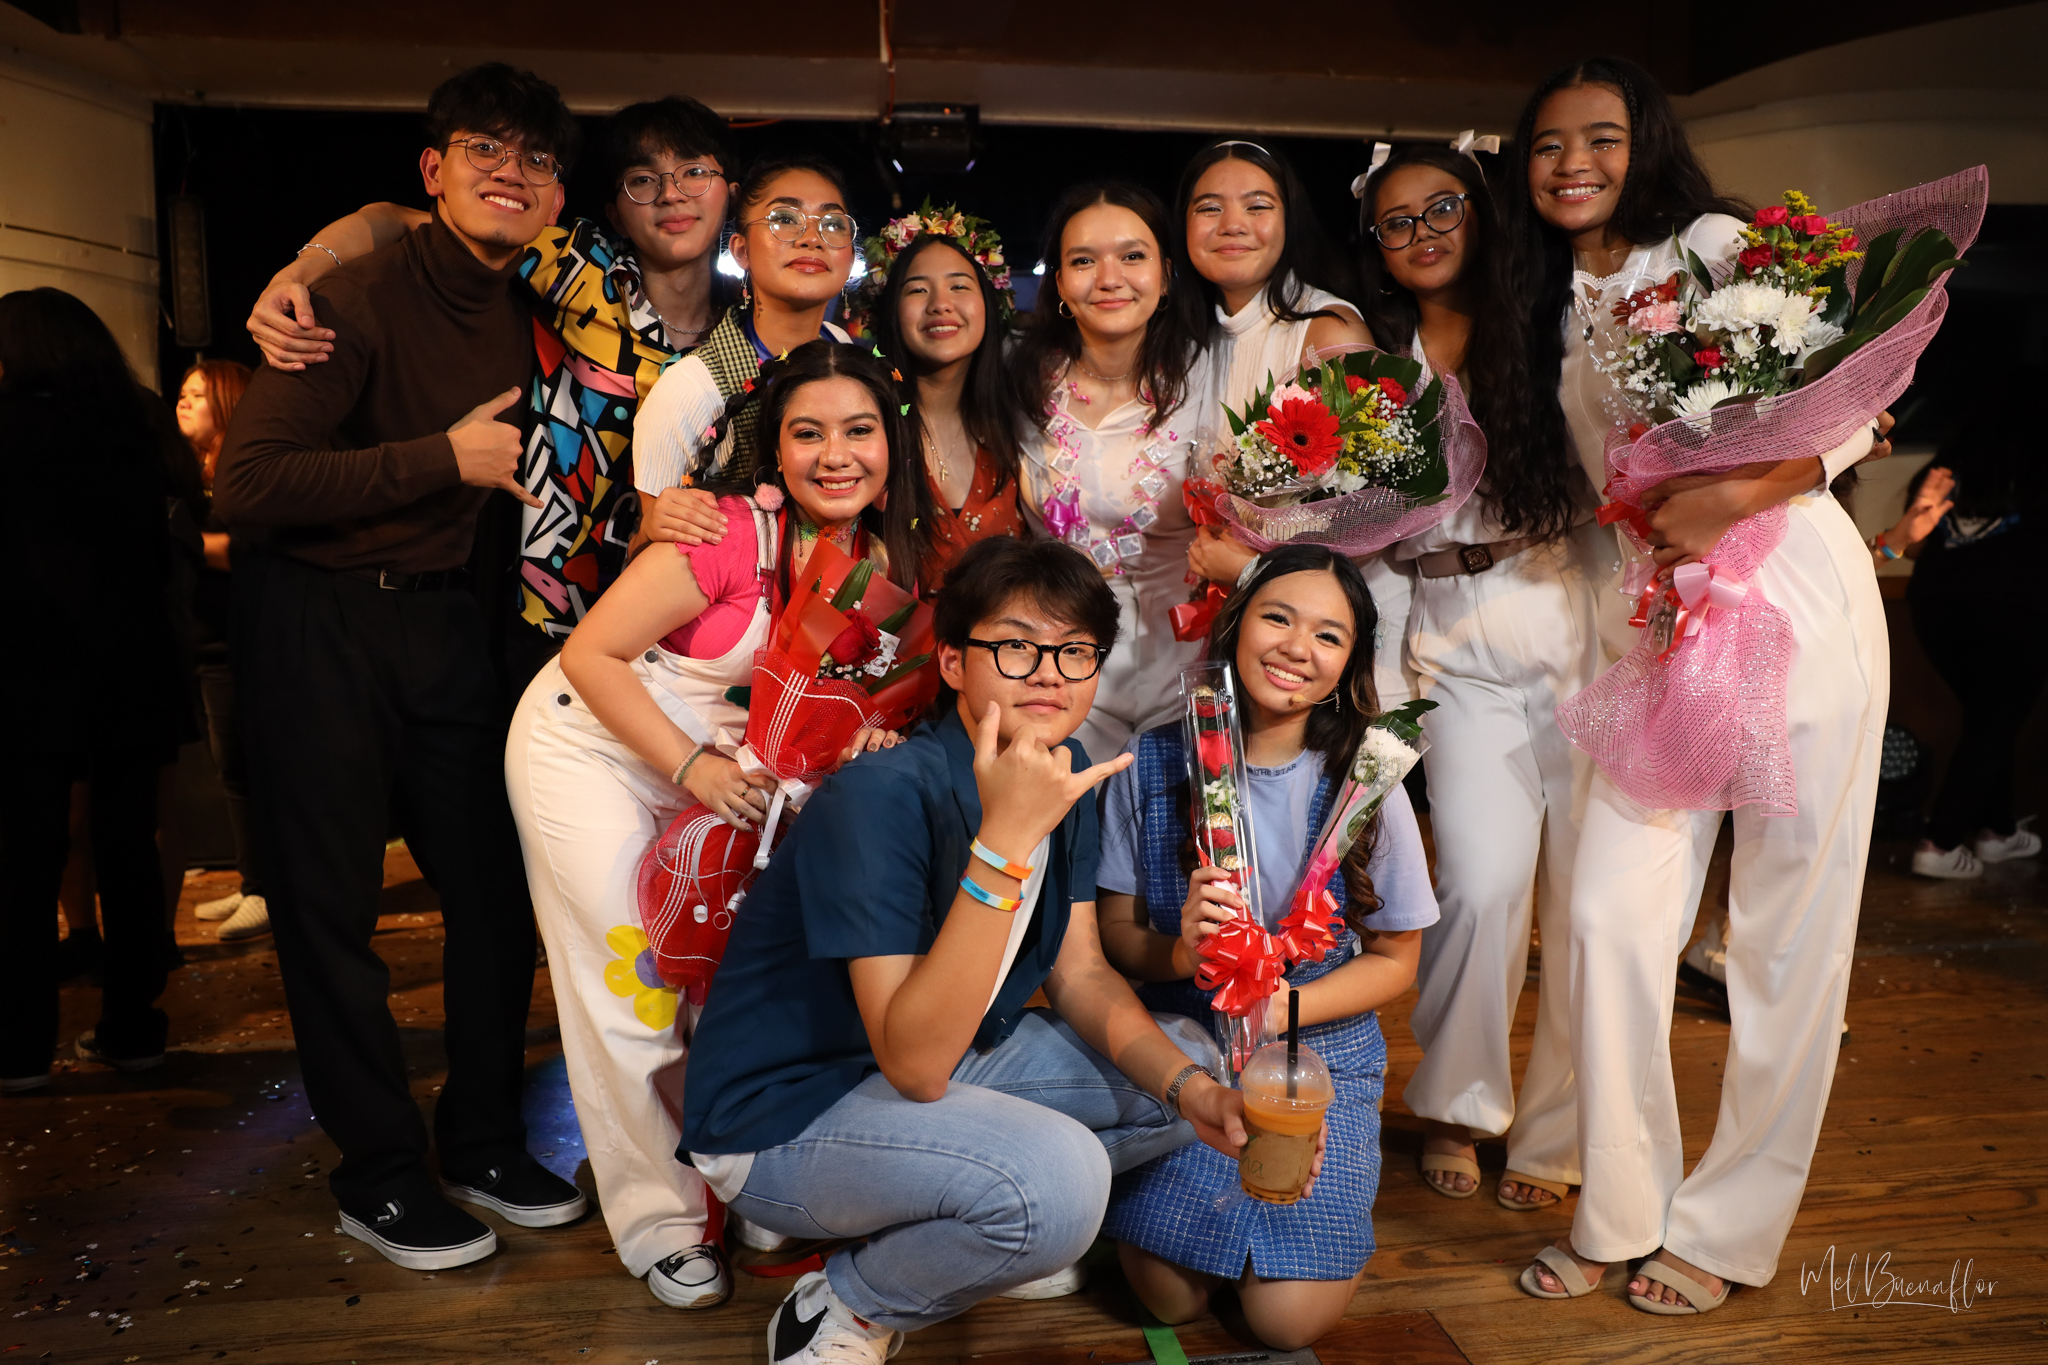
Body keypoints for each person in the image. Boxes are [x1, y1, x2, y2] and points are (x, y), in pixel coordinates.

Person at [1510, 56, 1891, 1314]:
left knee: (1786, 933)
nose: (1571, 162)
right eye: (1547, 143)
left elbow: (1858, 410)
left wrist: (1742, 489)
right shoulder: (1535, 295)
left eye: (1599, 137)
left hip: (1791, 595)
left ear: (1646, 142)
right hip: (1653, 624)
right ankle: (1618, 1205)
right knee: (1608, 919)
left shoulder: (1718, 244)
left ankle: (1726, 1232)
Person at [682, 534, 1257, 1365]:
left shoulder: (1066, 767)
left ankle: (968, 1216)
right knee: (1061, 1188)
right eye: (1017, 647)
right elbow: (915, 1064)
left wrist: (1194, 1090)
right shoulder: (881, 792)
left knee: (1190, 1060)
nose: (1050, 673)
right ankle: (847, 1300)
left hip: (925, 1062)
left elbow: (1083, 970)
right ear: (952, 662)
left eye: (1074, 651)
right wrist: (1009, 838)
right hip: (785, 1114)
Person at [213, 63, 586, 1271]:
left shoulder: (535, 297)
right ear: (433, 171)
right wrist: (441, 457)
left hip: (445, 632)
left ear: (553, 195)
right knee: (333, 917)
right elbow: (249, 483)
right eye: (483, 148)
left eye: (531, 158)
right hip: (317, 623)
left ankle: (477, 1139)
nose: (507, 172)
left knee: (491, 899)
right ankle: (375, 1174)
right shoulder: (354, 294)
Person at [505, 341, 926, 1310]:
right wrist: (689, 767)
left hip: (728, 784)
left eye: (858, 431)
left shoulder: (878, 561)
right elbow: (593, 654)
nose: (835, 454)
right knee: (637, 980)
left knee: (735, 980)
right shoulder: (728, 533)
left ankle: (746, 1178)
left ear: (889, 447)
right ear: (771, 453)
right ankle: (662, 1221)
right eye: (806, 433)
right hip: (596, 755)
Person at [246, 96, 741, 692]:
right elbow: (390, 219)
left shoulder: (747, 330)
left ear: (729, 191)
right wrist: (297, 273)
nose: (671, 195)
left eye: (694, 172)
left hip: (688, 625)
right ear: (612, 208)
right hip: (549, 603)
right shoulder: (576, 267)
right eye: (643, 180)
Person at [1096, 545, 1438, 1351]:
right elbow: (1114, 940)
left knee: (1286, 1322)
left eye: (1329, 635)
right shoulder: (1150, 763)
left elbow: (1397, 961)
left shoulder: (1369, 778)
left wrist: (1283, 1003)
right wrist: (1182, 953)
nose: (1296, 646)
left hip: (1319, 1050)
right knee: (1167, 1296)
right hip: (1189, 1045)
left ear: (1352, 661)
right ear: (1235, 622)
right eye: (1277, 617)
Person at [1353, 139, 1590, 1211]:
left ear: (1481, 211)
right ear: (1374, 242)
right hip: (1448, 642)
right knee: (1479, 885)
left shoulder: (1546, 325)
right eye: (1395, 220)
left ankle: (1555, 1134)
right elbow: (1353, 525)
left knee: (1591, 906)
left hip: (1577, 624)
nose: (1421, 233)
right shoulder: (1368, 350)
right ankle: (1454, 1104)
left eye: (1440, 207)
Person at [1, 287, 188, 1090]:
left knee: (22, 860)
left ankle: (18, 1048)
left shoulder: (6, 425)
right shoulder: (138, 425)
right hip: (133, 670)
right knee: (128, 852)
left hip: (27, 674)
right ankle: (134, 1027)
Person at [1168, 140, 1416, 709]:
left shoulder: (1328, 329)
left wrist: (1254, 567)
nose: (1232, 224)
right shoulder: (1187, 342)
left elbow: (1373, 510)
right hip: (1244, 622)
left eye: (1257, 205)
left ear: (1290, 221)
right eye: (1209, 208)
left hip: (1336, 629)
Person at [1008, 180, 1206, 760]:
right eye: (1083, 261)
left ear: (1166, 275)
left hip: (1187, 660)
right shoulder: (1017, 381)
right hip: (1058, 664)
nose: (1109, 277)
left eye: (1132, 256)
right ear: (1061, 285)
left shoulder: (1211, 377)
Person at [632, 157, 857, 548]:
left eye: (833, 224)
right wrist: (652, 529)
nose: (811, 238)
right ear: (740, 251)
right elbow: (647, 558)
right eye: (784, 219)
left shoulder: (845, 351)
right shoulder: (690, 390)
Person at [1902, 400, 2045, 878]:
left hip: (1935, 609)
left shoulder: (1944, 469)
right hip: (2018, 611)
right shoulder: (2035, 467)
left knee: (1989, 717)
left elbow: (1913, 543)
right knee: (1994, 722)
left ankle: (1999, 832)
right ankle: (1938, 844)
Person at [860, 205, 1028, 586]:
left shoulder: (1022, 423)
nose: (940, 304)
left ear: (989, 303)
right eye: (918, 289)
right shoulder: (866, 428)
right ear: (888, 312)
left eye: (959, 286)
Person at [175, 359, 273, 943]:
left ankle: (268, 890)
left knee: (251, 768)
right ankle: (252, 878)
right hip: (210, 642)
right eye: (181, 393)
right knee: (232, 769)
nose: (182, 402)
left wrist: (182, 540)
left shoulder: (241, 471)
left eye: (197, 395)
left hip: (243, 642)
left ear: (228, 403)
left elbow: (248, 551)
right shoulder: (195, 473)